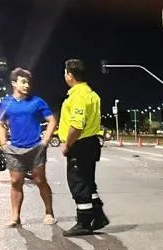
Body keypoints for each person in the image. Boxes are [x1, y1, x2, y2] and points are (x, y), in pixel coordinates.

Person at [0, 68, 57, 228]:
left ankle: (49, 212)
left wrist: (45, 140)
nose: (27, 85)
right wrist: (3, 143)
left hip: (35, 148)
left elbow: (51, 120)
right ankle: (15, 216)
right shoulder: (6, 103)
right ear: (14, 83)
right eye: (23, 82)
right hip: (15, 149)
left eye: (28, 82)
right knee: (16, 182)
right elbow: (0, 124)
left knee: (40, 180)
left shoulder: (37, 102)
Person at [58, 58, 109, 236]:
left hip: (80, 145)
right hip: (91, 143)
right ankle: (99, 215)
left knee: (78, 184)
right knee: (88, 182)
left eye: (65, 72)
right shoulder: (92, 94)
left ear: (70, 75)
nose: (65, 76)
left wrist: (67, 144)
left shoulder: (78, 96)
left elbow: (77, 125)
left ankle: (84, 222)